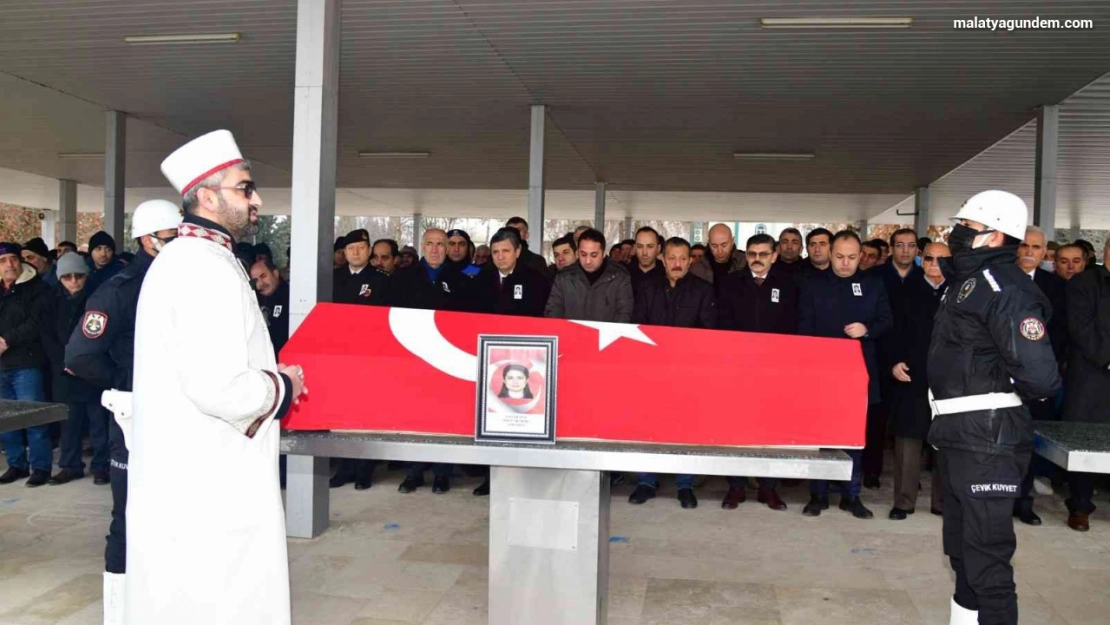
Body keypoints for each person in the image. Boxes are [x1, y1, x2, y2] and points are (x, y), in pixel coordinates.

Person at [125, 130, 307, 625]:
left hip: (195, 471)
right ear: (207, 195)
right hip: (209, 480)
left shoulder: (199, 257)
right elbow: (220, 388)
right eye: (245, 188)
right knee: (217, 597)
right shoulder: (201, 267)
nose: (257, 200)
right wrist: (283, 383)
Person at [928, 190, 1060, 625]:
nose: (958, 233)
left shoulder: (1006, 290)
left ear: (996, 236)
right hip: (960, 434)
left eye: (968, 227)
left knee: (987, 565)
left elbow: (1040, 377)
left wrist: (996, 392)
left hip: (988, 438)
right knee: (963, 556)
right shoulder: (967, 283)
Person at [64, 199, 182, 625]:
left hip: (185, 415)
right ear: (150, 240)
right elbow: (79, 354)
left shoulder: (185, 282)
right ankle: (120, 611)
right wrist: (123, 379)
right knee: (128, 516)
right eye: (172, 239)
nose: (180, 246)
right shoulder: (120, 288)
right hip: (136, 416)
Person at [799, 230, 892, 520]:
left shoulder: (873, 284)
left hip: (859, 372)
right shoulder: (812, 285)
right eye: (839, 256)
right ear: (829, 253)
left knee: (854, 438)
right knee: (821, 436)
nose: (845, 263)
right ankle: (818, 493)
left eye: (852, 257)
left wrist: (867, 329)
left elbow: (886, 320)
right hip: (822, 373)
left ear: (861, 255)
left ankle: (851, 494)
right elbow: (803, 329)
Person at [630, 237, 715, 509]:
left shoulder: (703, 290)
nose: (677, 264)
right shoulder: (645, 287)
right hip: (651, 369)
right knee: (648, 425)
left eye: (682, 258)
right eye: (671, 258)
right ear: (662, 259)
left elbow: (709, 331)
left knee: (685, 427)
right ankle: (646, 481)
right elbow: (637, 326)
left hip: (688, 371)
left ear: (690, 261)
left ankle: (685, 484)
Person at [716, 233, 798, 511]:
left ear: (774, 255)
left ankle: (768, 488)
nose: (758, 259)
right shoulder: (730, 283)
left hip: (776, 371)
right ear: (745, 255)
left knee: (772, 430)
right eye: (752, 253)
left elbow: (794, 328)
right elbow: (722, 325)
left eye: (764, 254)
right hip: (738, 369)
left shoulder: (788, 285)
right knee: (736, 429)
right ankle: (736, 487)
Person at [390, 228, 470, 494]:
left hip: (447, 358)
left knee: (445, 414)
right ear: (422, 246)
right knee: (416, 414)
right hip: (413, 356)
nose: (435, 249)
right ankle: (413, 472)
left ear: (447, 248)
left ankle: (442, 473)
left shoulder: (461, 279)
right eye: (430, 244)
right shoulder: (403, 278)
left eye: (440, 244)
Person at [887, 242, 950, 520]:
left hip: (951, 383)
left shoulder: (963, 294)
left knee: (947, 443)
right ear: (921, 260)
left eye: (941, 259)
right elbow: (890, 331)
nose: (934, 263)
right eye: (929, 258)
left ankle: (944, 503)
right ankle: (903, 502)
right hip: (911, 377)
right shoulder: (904, 292)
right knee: (908, 442)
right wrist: (894, 361)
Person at [1012, 225, 1069, 524]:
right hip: (1001, 375)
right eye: (1023, 246)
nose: (1029, 252)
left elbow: (1060, 333)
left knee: (1029, 441)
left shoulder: (1055, 286)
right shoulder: (998, 280)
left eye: (1036, 247)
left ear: (1044, 252)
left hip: (1038, 377)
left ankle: (1024, 502)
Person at [43, 253, 109, 486]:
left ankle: (102, 466)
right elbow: (47, 336)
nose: (73, 281)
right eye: (67, 277)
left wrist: (85, 364)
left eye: (78, 276)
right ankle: (70, 465)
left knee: (98, 422)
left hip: (92, 371)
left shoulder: (97, 298)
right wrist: (65, 363)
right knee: (68, 424)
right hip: (64, 371)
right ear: (60, 278)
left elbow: (102, 334)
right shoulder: (51, 300)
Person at [867, 228, 924, 489]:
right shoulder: (875, 277)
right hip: (880, 356)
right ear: (890, 249)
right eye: (900, 245)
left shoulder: (925, 278)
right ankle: (872, 471)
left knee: (910, 421)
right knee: (876, 419)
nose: (905, 250)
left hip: (913, 361)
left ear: (917, 250)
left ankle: (911, 478)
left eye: (911, 245)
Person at [1061, 237, 1110, 532]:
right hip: (1092, 374)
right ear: (1106, 251)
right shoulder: (1084, 283)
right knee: (1084, 437)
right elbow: (1081, 328)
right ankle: (1079, 503)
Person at [0, 242, 50, 487]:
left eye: (13, 259)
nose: (9, 264)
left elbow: (36, 323)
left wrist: (7, 341)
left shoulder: (36, 288)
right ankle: (16, 465)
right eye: (3, 261)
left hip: (26, 363)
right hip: (1, 366)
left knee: (33, 418)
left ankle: (40, 467)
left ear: (20, 261)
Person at [545, 228, 633, 323]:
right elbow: (553, 312)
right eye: (583, 254)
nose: (588, 261)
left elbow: (624, 314)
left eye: (594, 255)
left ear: (603, 254)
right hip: (571, 336)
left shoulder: (620, 277)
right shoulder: (564, 277)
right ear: (578, 252)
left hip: (607, 337)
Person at [471, 227, 550, 318]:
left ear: (517, 251)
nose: (500, 257)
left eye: (506, 251)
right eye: (495, 252)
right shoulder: (480, 279)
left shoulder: (535, 280)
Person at [334, 229, 389, 306]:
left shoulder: (384, 280)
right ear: (345, 252)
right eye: (351, 248)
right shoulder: (333, 277)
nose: (355, 253)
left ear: (370, 251)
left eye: (361, 248)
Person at [628, 226, 665, 291]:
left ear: (658, 248)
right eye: (640, 246)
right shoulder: (624, 275)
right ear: (635, 248)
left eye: (650, 247)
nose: (644, 253)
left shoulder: (667, 275)